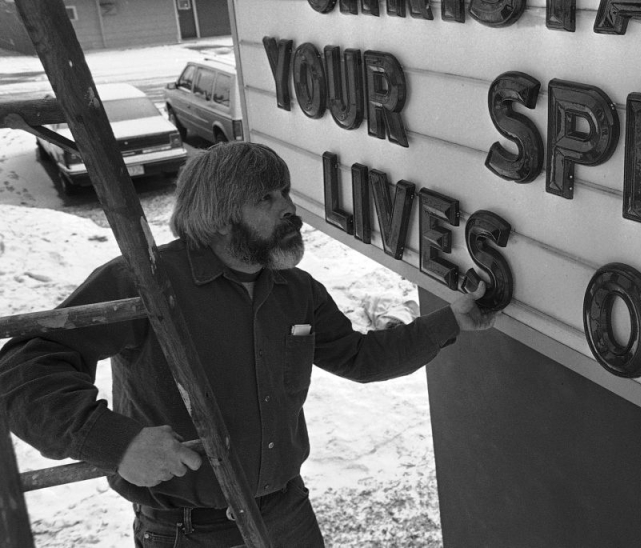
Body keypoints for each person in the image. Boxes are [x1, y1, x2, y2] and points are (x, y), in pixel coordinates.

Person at [0, 141, 497, 547]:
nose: (289, 208)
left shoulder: (295, 291)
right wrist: (116, 441)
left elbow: (360, 358)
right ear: (219, 217)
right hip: (188, 532)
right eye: (266, 199)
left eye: (284, 192)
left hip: (288, 516)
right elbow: (24, 366)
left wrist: (447, 321)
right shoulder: (145, 282)